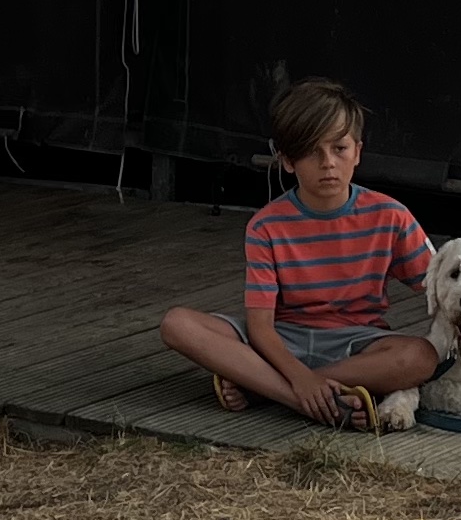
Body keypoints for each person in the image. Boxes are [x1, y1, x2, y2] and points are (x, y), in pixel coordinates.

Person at [156, 76, 436, 431]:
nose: (328, 163)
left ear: (358, 152)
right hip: (281, 338)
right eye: (310, 151)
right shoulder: (266, 226)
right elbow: (260, 327)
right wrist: (299, 381)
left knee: (420, 357)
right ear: (287, 161)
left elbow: (441, 284)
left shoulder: (391, 215)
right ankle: (307, 399)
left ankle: (262, 387)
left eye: (339, 148)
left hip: (355, 342)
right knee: (177, 324)